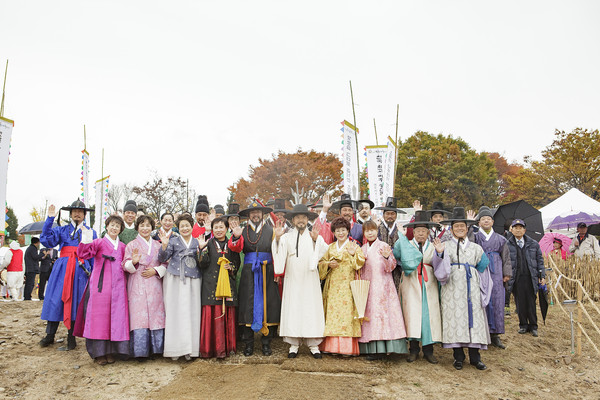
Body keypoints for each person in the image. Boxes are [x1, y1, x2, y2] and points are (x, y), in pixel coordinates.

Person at [432, 207, 491, 371]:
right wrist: (439, 254)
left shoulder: (476, 248)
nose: (459, 229)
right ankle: (458, 357)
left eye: (462, 226)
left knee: (474, 320)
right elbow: (437, 267)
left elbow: (484, 267)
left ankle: (475, 358)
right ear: (451, 229)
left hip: (472, 287)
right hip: (452, 288)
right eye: (456, 226)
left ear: (467, 228)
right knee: (455, 319)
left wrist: (483, 288)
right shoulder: (445, 246)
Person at [272, 204, 328, 359]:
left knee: (311, 308)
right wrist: (277, 238)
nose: (301, 220)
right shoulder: (286, 236)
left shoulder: (313, 236)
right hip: (293, 276)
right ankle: (294, 344)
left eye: (304, 217)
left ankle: (314, 344)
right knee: (294, 307)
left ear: (307, 219)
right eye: (298, 218)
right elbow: (278, 253)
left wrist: (317, 241)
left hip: (310, 277)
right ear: (293, 220)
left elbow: (324, 251)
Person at [39, 200, 97, 350]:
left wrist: (92, 272)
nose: (77, 213)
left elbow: (92, 254)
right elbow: (46, 240)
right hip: (62, 269)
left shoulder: (90, 232)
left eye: (80, 211)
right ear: (70, 214)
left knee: (76, 302)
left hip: (80, 269)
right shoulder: (62, 230)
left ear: (84, 214)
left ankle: (71, 337)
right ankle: (50, 335)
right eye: (74, 211)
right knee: (55, 300)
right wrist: (50, 219)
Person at [228, 201, 281, 356]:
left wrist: (278, 239)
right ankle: (248, 343)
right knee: (247, 304)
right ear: (249, 215)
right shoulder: (242, 230)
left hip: (267, 270)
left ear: (263, 214)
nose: (255, 215)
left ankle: (266, 343)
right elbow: (235, 248)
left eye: (258, 212)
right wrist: (236, 237)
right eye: (252, 213)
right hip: (249, 271)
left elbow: (278, 252)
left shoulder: (271, 230)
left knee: (268, 304)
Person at [74, 215, 129, 365]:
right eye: (112, 224)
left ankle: (111, 351)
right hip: (100, 286)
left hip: (118, 287)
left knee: (115, 319)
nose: (114, 228)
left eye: (117, 226)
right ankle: (99, 353)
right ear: (106, 226)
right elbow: (83, 254)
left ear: (120, 229)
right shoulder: (99, 242)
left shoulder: (123, 247)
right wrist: (85, 238)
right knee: (99, 319)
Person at [394, 210, 443, 364]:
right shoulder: (406, 244)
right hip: (411, 281)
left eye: (423, 231)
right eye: (418, 231)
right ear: (413, 232)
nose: (421, 234)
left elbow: (440, 263)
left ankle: (429, 350)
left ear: (428, 232)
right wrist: (401, 236)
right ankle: (413, 349)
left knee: (429, 316)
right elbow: (396, 254)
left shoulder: (434, 245)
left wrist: (440, 253)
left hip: (429, 282)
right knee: (412, 315)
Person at [359, 221, 407, 360]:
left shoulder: (384, 246)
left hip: (383, 286)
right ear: (364, 233)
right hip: (368, 286)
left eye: (372, 230)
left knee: (383, 316)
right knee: (370, 317)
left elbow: (391, 267)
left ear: (377, 231)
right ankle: (371, 348)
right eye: (367, 231)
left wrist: (387, 257)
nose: (370, 233)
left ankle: (384, 349)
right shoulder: (362, 249)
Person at [318, 217, 365, 356]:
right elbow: (321, 263)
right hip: (333, 285)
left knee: (346, 314)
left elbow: (359, 264)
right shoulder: (330, 247)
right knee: (332, 314)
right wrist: (327, 264)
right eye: (337, 230)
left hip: (347, 284)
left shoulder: (354, 246)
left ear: (348, 231)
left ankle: (346, 348)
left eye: (343, 230)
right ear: (333, 232)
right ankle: (330, 346)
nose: (340, 233)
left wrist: (352, 255)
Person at [158, 214, 202, 360]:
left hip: (193, 279)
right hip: (175, 279)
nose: (184, 228)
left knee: (192, 312)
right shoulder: (173, 241)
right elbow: (162, 258)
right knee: (175, 312)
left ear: (191, 226)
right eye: (182, 226)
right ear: (179, 227)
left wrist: (202, 250)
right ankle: (175, 349)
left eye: (187, 225)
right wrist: (164, 246)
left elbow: (203, 261)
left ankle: (191, 349)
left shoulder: (197, 242)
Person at [123, 215, 166, 360]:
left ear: (152, 228)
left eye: (148, 225)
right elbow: (125, 265)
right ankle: (140, 351)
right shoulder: (131, 245)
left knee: (156, 314)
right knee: (138, 316)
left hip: (154, 283)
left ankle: (157, 350)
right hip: (137, 283)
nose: (145, 228)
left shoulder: (158, 245)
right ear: (137, 227)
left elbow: (166, 263)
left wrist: (156, 270)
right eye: (142, 225)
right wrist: (133, 262)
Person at [470, 206, 512, 349]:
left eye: (488, 219)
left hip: (496, 271)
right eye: (483, 219)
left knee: (497, 300)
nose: (486, 221)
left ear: (492, 222)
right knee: (482, 300)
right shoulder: (475, 237)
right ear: (479, 223)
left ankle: (496, 334)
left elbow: (506, 257)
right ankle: (482, 332)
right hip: (481, 270)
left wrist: (506, 273)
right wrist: (469, 225)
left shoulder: (500, 239)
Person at [198, 216, 240, 359]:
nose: (219, 230)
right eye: (216, 227)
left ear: (227, 229)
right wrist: (202, 248)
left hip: (228, 285)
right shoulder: (208, 244)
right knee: (212, 316)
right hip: (211, 286)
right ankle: (210, 350)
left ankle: (228, 349)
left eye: (222, 227)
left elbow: (237, 263)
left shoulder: (232, 244)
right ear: (212, 230)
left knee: (228, 316)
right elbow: (202, 264)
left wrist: (231, 267)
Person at [507, 219, 545, 337]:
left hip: (530, 277)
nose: (518, 230)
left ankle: (533, 326)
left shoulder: (533, 243)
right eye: (515, 228)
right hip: (516, 278)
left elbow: (540, 260)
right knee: (520, 302)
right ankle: (523, 325)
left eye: (520, 227)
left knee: (531, 302)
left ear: (524, 230)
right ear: (511, 230)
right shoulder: (507, 244)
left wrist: (541, 275)